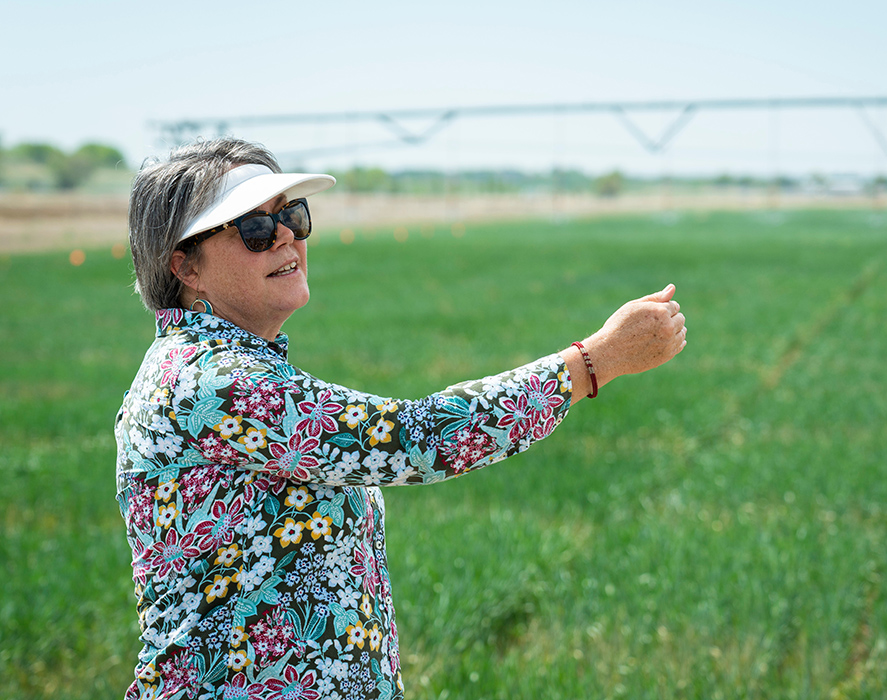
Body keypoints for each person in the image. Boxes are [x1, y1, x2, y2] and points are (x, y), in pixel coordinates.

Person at [116, 137, 687, 700]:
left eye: (290, 215)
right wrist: (593, 363)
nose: (285, 235)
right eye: (254, 229)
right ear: (185, 265)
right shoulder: (207, 382)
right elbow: (416, 439)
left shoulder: (228, 369)